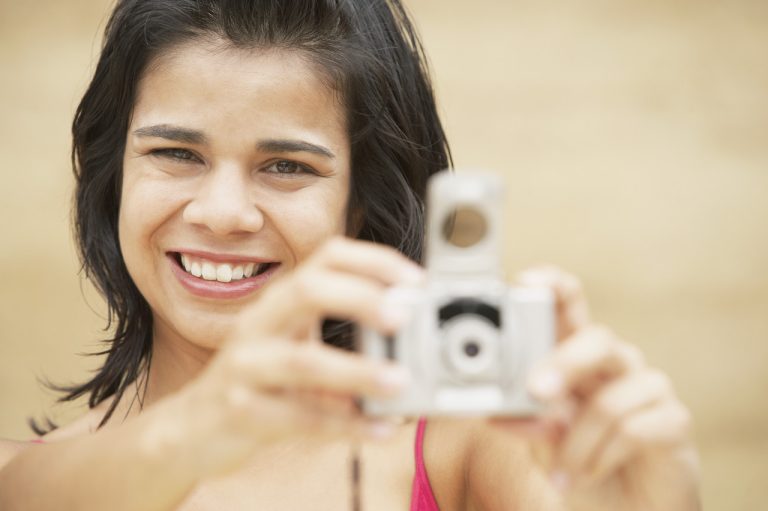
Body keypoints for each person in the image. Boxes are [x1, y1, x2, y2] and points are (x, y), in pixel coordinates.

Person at [0, 0, 700, 509]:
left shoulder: (468, 446)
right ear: (112, 173)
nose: (221, 212)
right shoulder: (25, 481)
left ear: (361, 202)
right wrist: (204, 425)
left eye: (287, 166)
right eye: (176, 153)